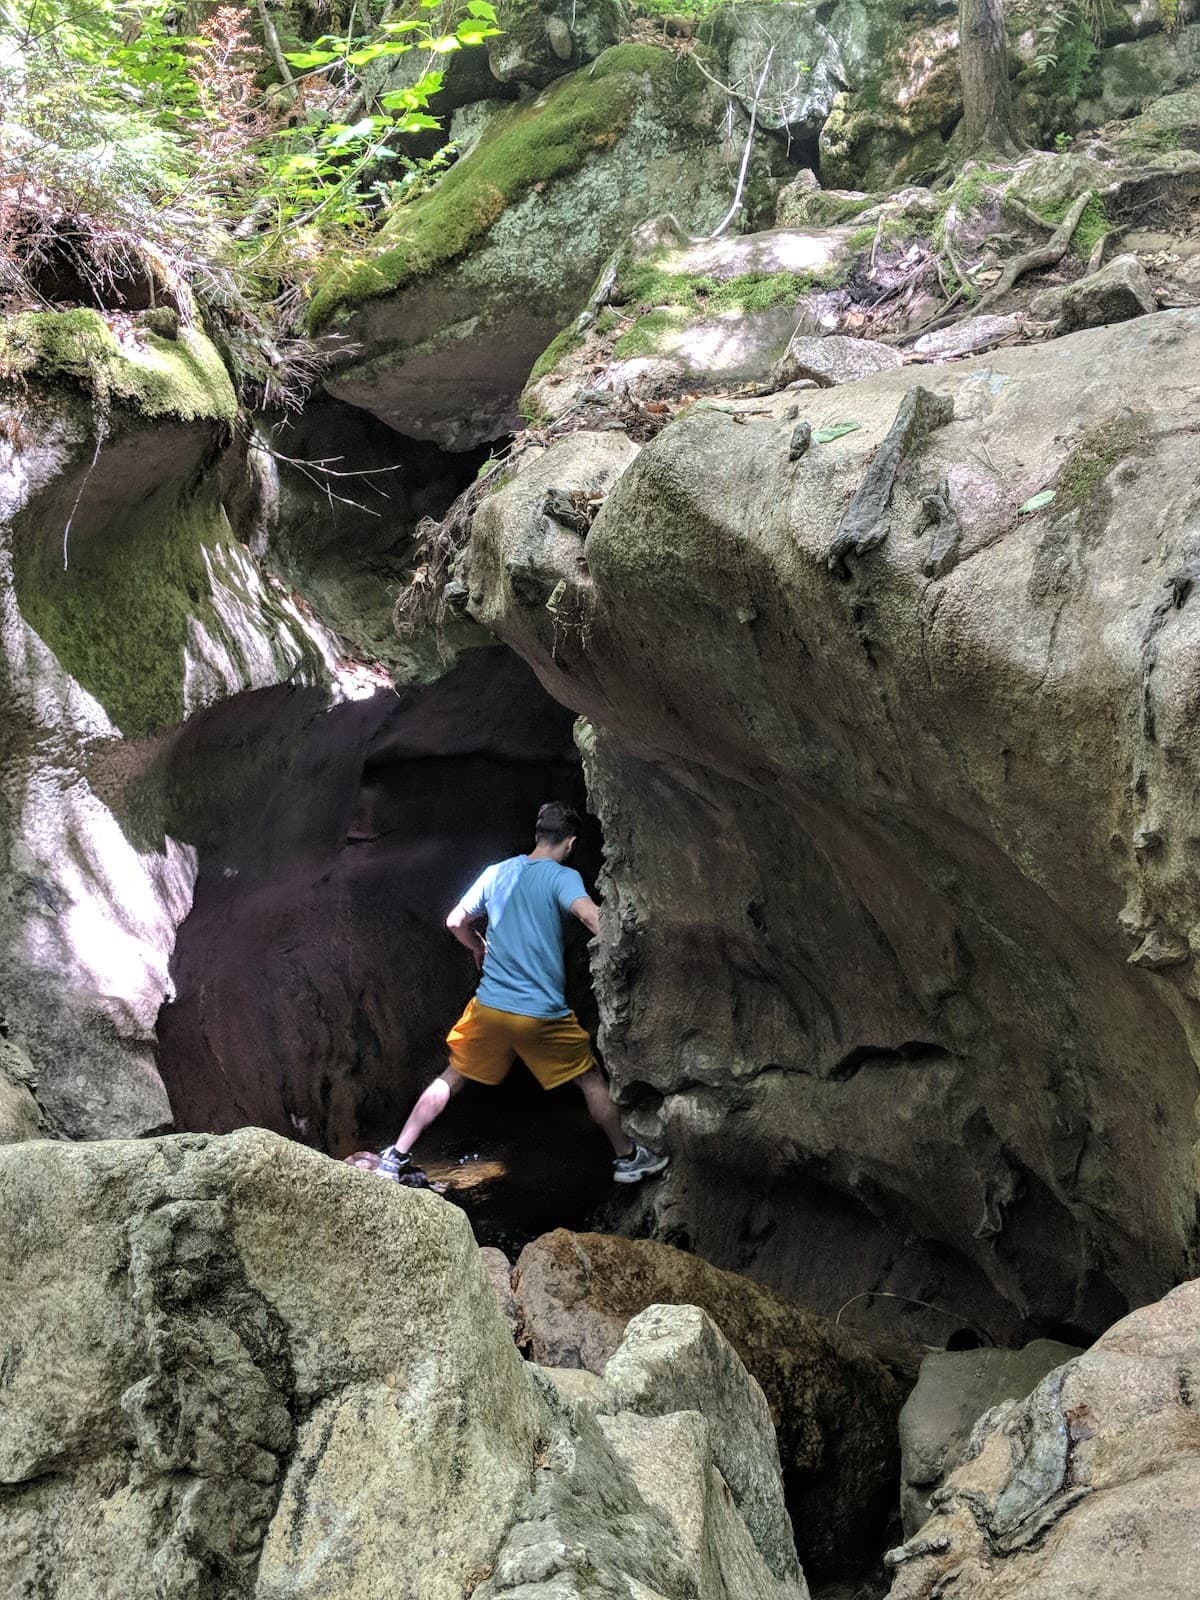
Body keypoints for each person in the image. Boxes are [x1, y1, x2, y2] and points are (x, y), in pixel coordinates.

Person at [376, 802, 669, 1186]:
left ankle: (394, 1158)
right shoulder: (562, 877)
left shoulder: (496, 873)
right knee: (590, 1080)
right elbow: (587, 915)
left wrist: (477, 945)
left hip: (490, 1008)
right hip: (541, 1014)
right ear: (571, 843)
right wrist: (629, 945)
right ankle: (627, 1159)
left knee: (451, 1076)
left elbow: (454, 920)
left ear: (536, 836)